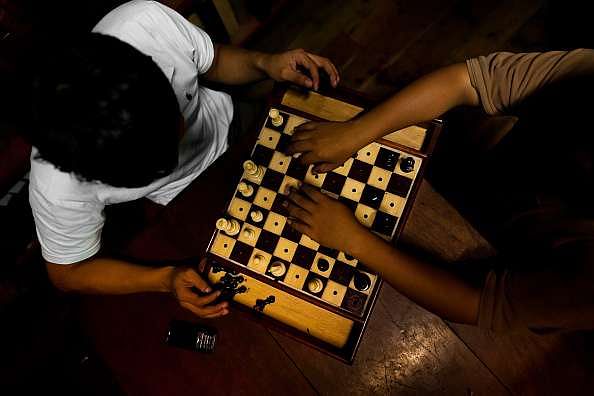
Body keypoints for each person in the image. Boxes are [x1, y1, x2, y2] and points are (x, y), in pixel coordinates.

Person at [27, 0, 339, 319]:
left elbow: (212, 62)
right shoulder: (56, 186)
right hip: (189, 201)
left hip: (236, 124)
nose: (183, 146)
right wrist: (165, 279)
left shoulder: (145, 25)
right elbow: (67, 273)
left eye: (174, 121)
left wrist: (264, 63)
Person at [284, 49, 594, 332]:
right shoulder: (585, 73)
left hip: (520, 262)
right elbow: (465, 80)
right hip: (496, 176)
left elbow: (476, 304)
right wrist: (356, 132)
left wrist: (356, 242)